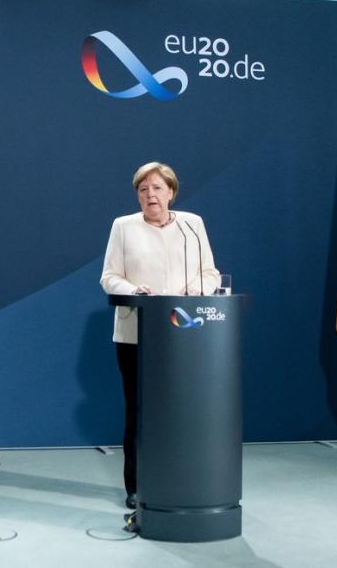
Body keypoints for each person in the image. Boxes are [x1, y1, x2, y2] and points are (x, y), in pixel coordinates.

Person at [99, 161, 222, 509]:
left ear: (171, 192)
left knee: (183, 411)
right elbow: (109, 277)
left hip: (185, 335)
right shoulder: (123, 227)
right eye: (143, 190)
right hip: (136, 333)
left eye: (156, 188)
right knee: (138, 412)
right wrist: (132, 289)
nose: (150, 195)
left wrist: (196, 288)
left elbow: (210, 272)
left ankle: (182, 481)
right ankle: (136, 487)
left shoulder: (191, 225)